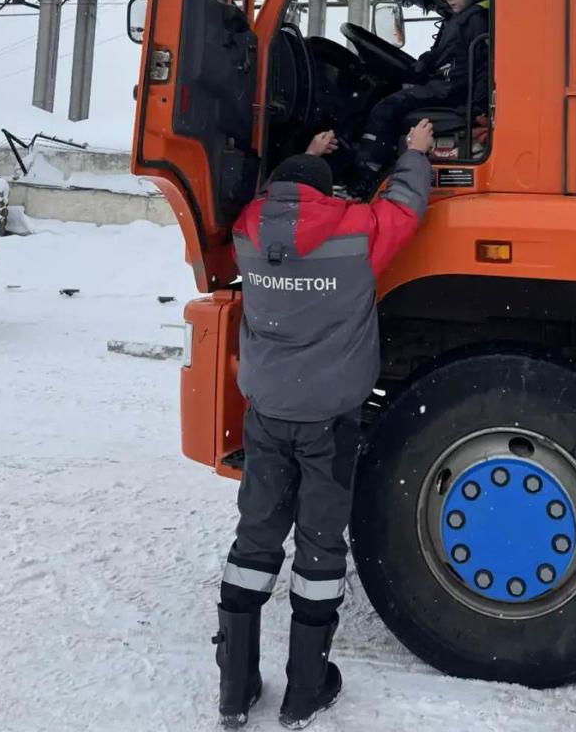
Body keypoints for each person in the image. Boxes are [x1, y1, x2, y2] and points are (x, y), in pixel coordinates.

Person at [213, 118, 435, 729]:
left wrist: (305, 157)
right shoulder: (357, 233)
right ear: (326, 193)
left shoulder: (247, 232)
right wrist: (414, 154)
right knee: (319, 546)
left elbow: (282, 203)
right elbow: (404, 208)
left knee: (255, 539)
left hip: (267, 414)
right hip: (329, 422)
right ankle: (305, 688)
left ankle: (235, 689)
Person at [356, 0, 488, 187]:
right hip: (446, 87)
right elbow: (441, 54)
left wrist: (477, 107)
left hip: (452, 92)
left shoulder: (475, 21)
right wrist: (421, 66)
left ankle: (368, 172)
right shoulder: (458, 19)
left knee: (385, 108)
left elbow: (483, 66)